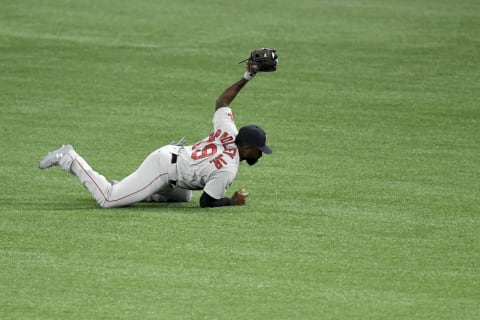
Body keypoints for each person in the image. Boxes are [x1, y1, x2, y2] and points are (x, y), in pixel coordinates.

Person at [38, 64, 272, 208]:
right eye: (258, 150)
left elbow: (222, 102)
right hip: (162, 168)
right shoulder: (228, 169)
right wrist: (232, 201)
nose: (260, 154)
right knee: (108, 200)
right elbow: (207, 202)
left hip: (173, 161)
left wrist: (247, 77)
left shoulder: (228, 131)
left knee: (183, 197)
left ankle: (133, 189)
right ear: (246, 147)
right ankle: (70, 158)